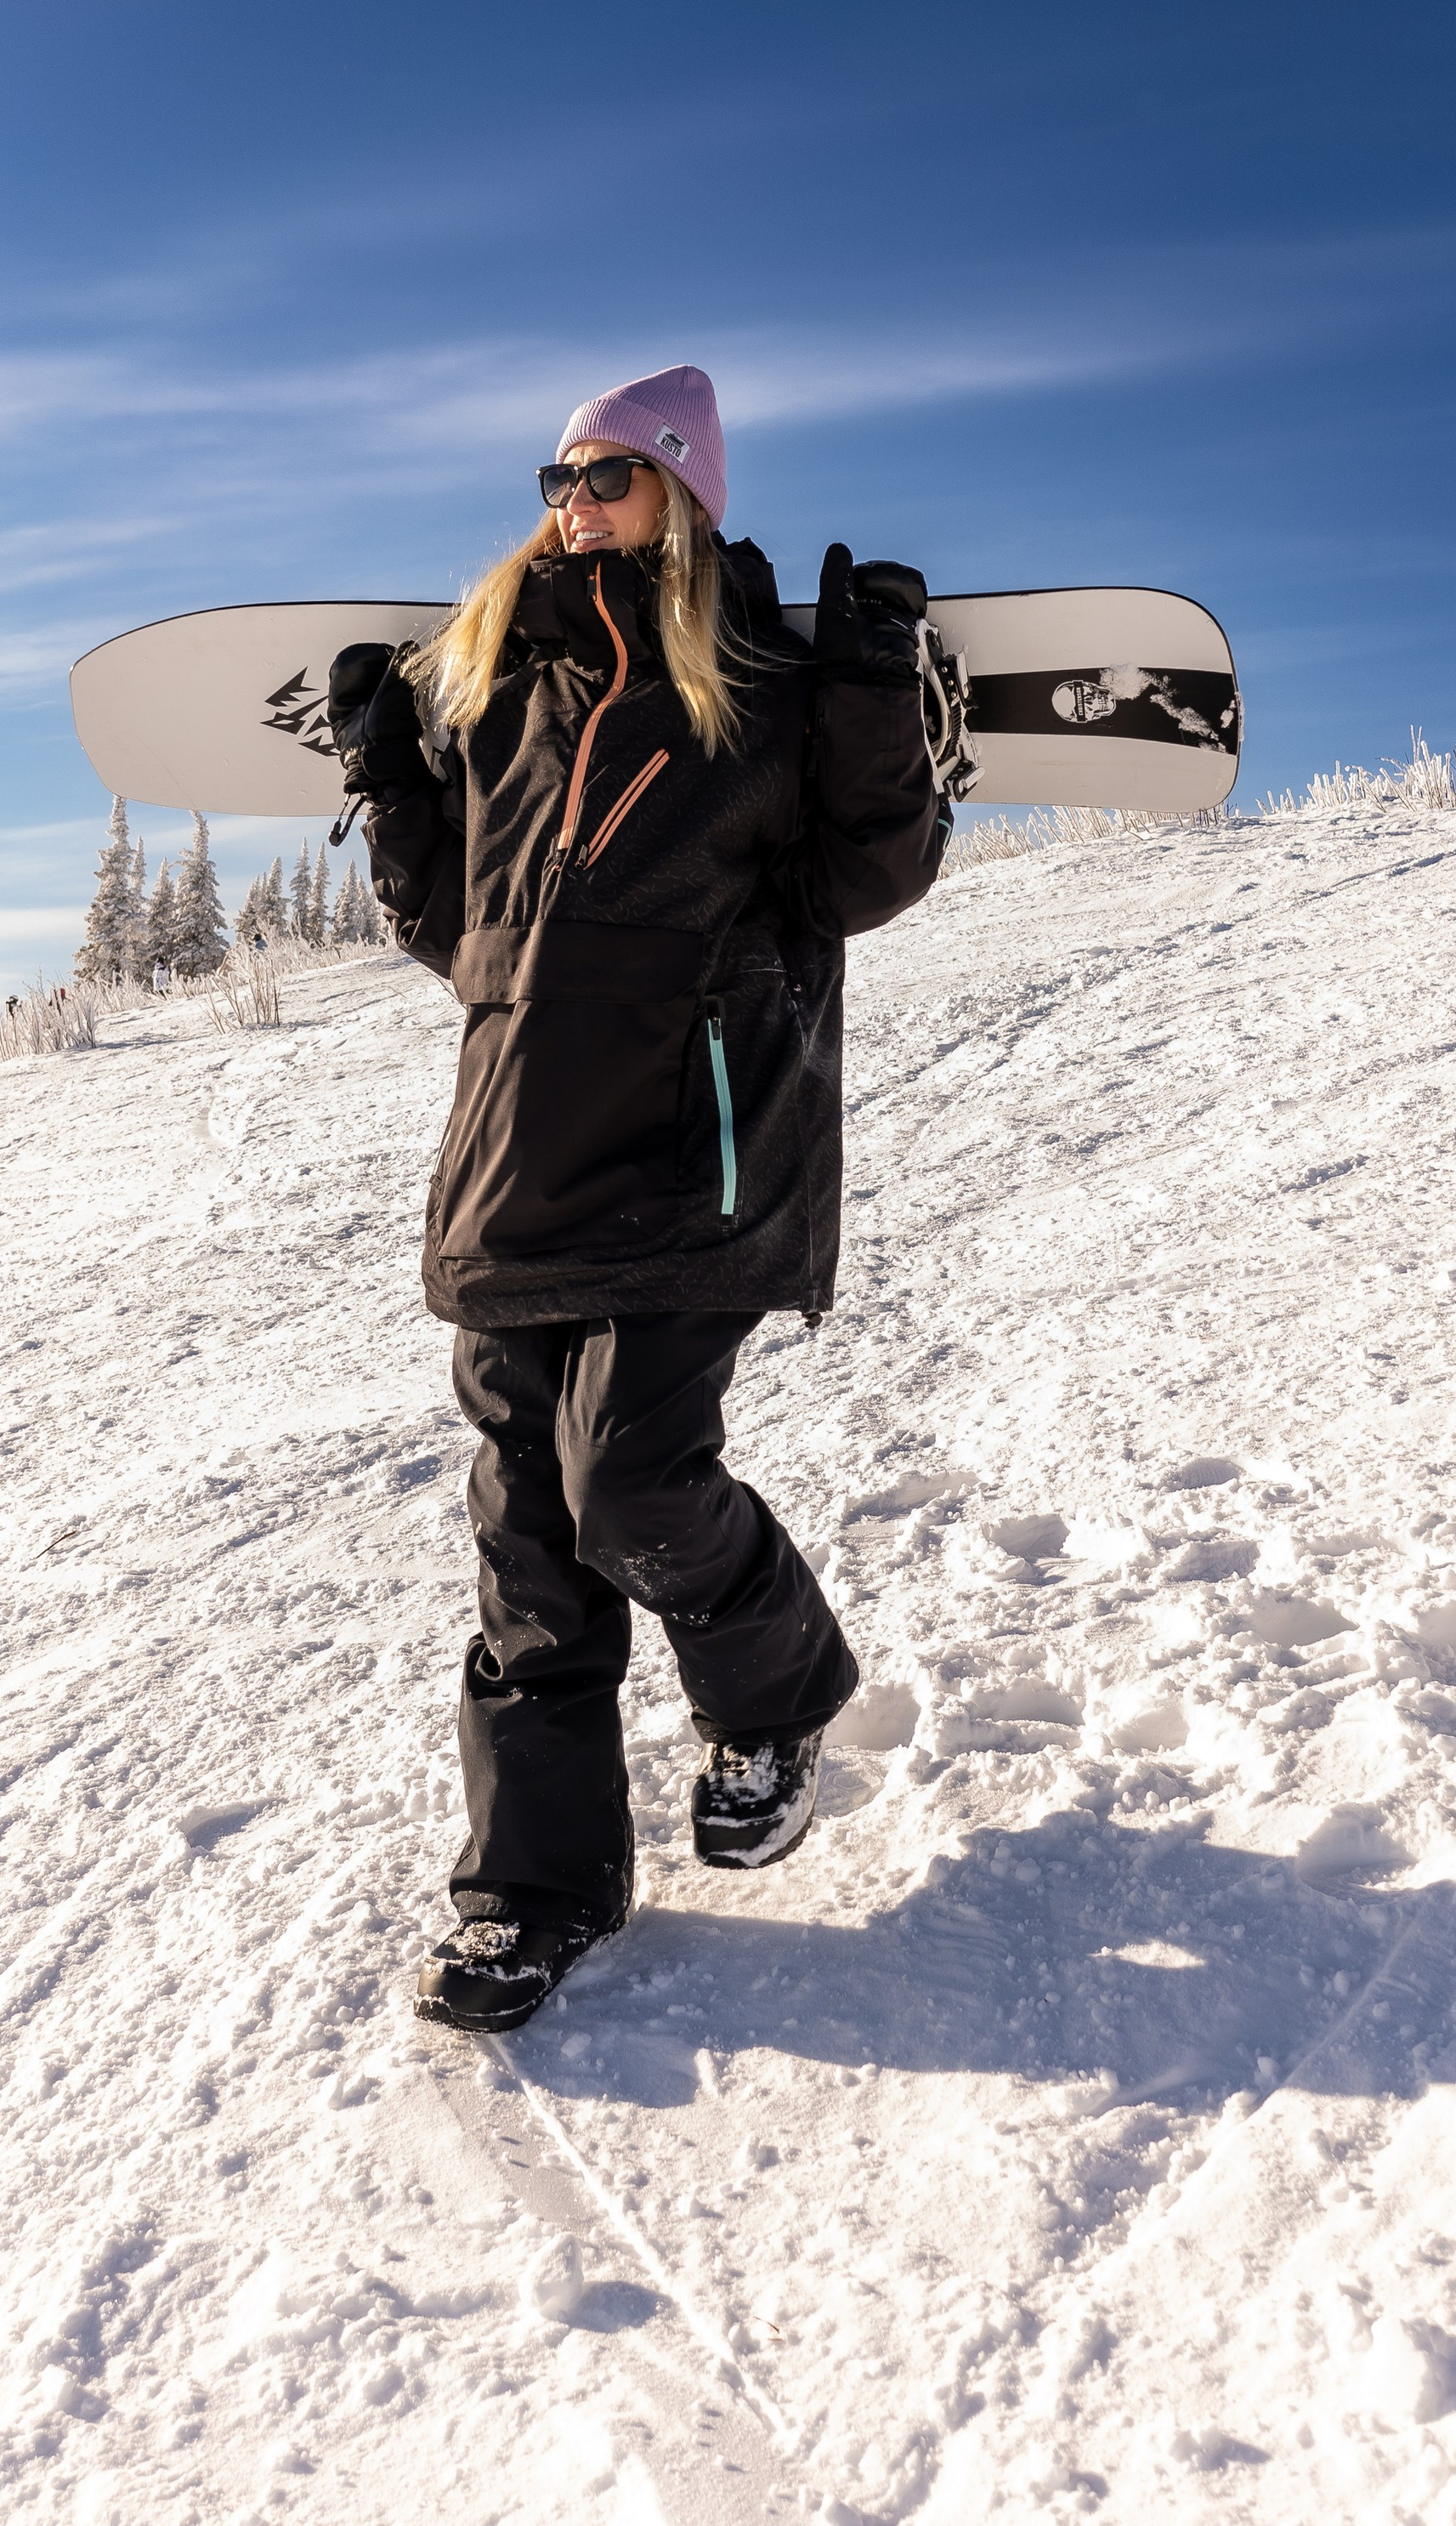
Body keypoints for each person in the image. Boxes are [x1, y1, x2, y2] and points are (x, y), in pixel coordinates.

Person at [328, 363, 945, 2031]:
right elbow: (457, 931)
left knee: (629, 1483)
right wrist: (392, 775)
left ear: (680, 487)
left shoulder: (751, 670)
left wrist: (874, 689)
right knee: (529, 1558)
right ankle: (539, 1894)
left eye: (603, 476)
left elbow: (862, 876)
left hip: (701, 1157)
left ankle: (773, 1705)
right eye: (555, 475)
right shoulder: (511, 692)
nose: (568, 502)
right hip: (515, 1164)